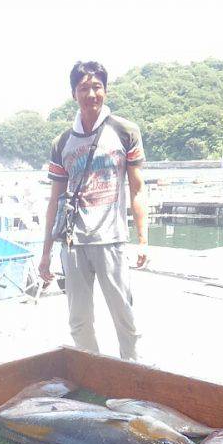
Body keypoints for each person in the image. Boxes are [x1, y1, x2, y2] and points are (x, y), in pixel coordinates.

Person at [39, 60, 148, 361]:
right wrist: (46, 252)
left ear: (106, 90)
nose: (91, 94)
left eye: (97, 87)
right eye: (83, 88)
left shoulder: (125, 131)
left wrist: (143, 239)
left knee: (124, 318)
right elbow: (54, 200)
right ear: (73, 93)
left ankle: (132, 375)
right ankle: (94, 375)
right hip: (72, 243)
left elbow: (138, 189)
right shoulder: (62, 142)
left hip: (111, 240)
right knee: (79, 322)